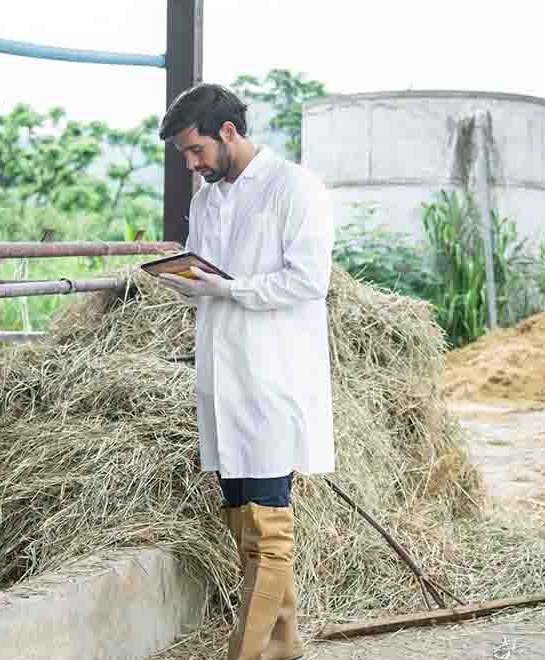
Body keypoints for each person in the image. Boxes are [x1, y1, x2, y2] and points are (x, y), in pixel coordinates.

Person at [155, 82, 335, 660]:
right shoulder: (208, 201)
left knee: (268, 524)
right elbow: (207, 279)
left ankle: (246, 654)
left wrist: (228, 289)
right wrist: (186, 281)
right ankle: (283, 646)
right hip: (222, 376)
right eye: (184, 154)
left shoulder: (293, 188)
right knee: (244, 522)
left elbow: (308, 280)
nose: (191, 163)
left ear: (228, 132)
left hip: (272, 376)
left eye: (196, 149)